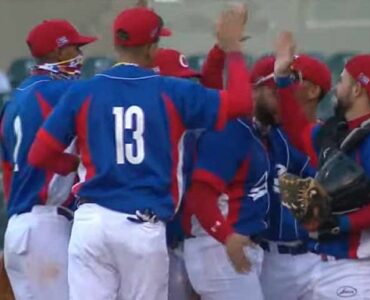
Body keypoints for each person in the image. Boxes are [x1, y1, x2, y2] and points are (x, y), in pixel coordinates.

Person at [28, 5, 253, 300]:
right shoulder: (172, 91)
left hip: (90, 223)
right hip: (140, 226)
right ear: (152, 48)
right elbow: (240, 102)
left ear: (116, 43)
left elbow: (39, 156)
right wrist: (232, 48)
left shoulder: (83, 92)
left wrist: (77, 163)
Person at [275, 31, 370, 299]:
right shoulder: (338, 133)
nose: (337, 88)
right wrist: (281, 79)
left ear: (358, 88)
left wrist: (338, 223)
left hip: (366, 270)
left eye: (342, 81)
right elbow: (298, 128)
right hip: (333, 267)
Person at [0, 19, 96, 300]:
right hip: (45, 226)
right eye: (76, 47)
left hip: (18, 227)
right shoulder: (59, 91)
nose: (81, 54)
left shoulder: (14, 99)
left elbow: (7, 171)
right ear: (59, 52)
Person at [249, 54, 334, 300]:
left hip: (318, 256)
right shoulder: (262, 134)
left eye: (292, 78)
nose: (282, 85)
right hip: (270, 259)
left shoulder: (328, 139)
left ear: (313, 90)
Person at [151, 47, 201, 300]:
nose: (186, 91)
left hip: (180, 245)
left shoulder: (190, 134)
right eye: (178, 82)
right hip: (147, 245)